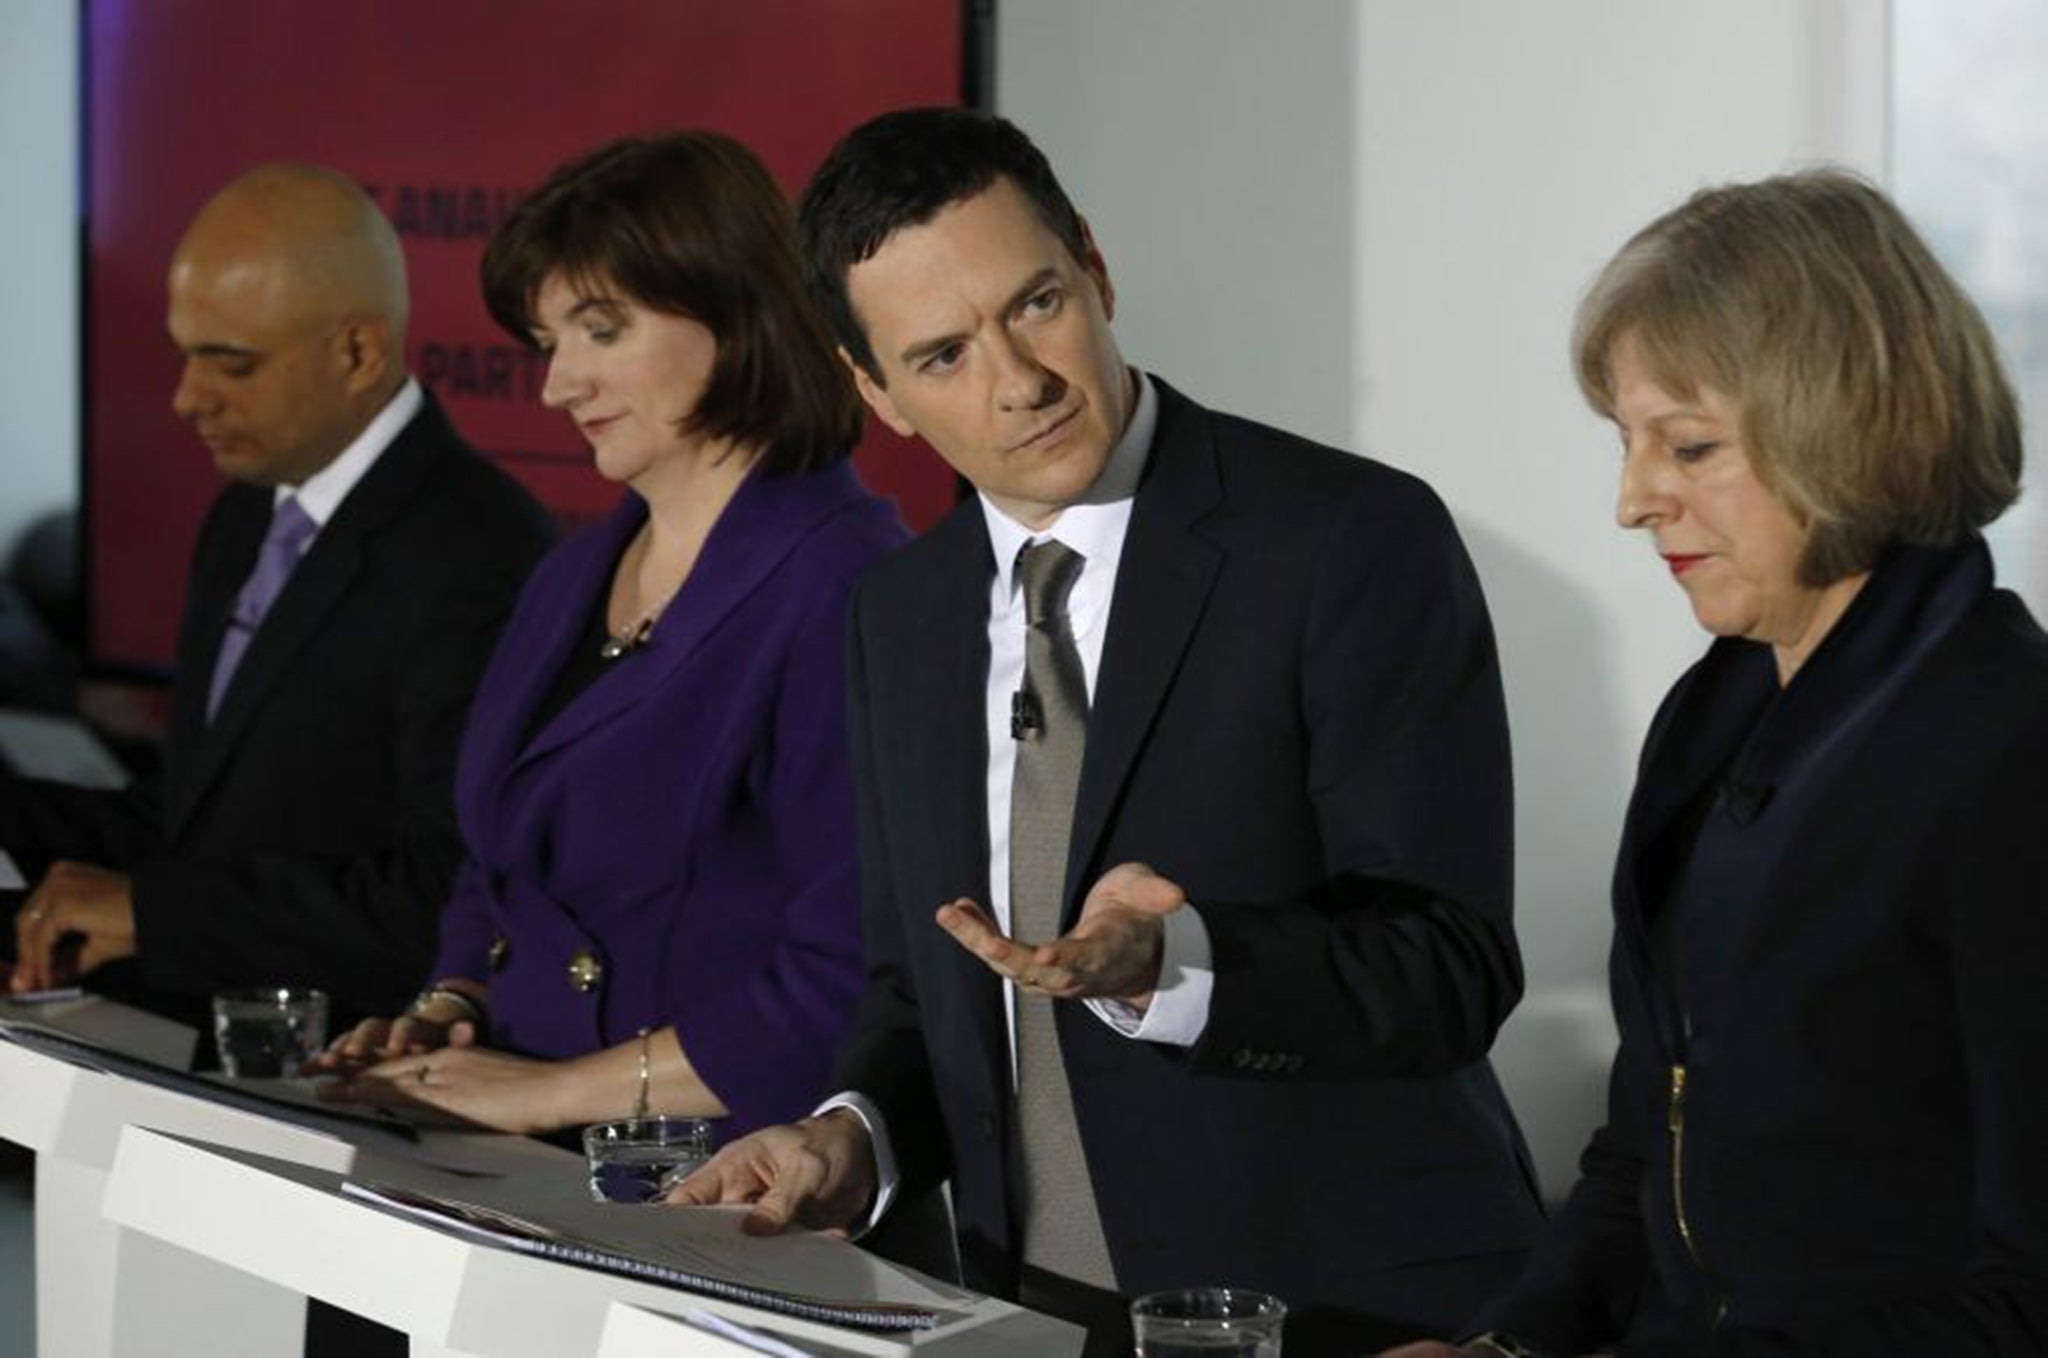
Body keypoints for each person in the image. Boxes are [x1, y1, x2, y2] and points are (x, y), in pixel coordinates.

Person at [673, 108, 1544, 1357]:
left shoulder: (1348, 538)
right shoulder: (897, 616)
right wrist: (848, 1135)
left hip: (1339, 1311)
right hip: (1026, 1314)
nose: (1016, 381)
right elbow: (913, 993)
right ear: (876, 394)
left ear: (1093, 263)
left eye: (1034, 302)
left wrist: (1173, 963)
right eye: (940, 356)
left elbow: (1450, 966)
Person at [1386, 171, 2048, 1358]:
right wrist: (1510, 1343)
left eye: (1686, 445)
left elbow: (2026, 1292)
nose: (1633, 500)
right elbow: (1646, 1139)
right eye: (1628, 443)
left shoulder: (2009, 752)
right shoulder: (1715, 714)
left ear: (1845, 425)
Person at [315, 132, 906, 1140]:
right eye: (549, 342)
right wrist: (450, 1010)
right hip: (514, 1147)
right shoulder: (571, 570)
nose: (557, 385)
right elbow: (495, 861)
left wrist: (547, 1092)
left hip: (704, 1181)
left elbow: (839, 981)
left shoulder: (850, 585)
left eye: (600, 329)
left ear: (734, 309)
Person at [3, 164, 552, 1025]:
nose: (188, 400)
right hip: (194, 1052)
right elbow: (197, 823)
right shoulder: (243, 517)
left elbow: (448, 899)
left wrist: (154, 914)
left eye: (233, 365)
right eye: (184, 356)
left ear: (359, 351)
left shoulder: (478, 552)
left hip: (353, 1086)